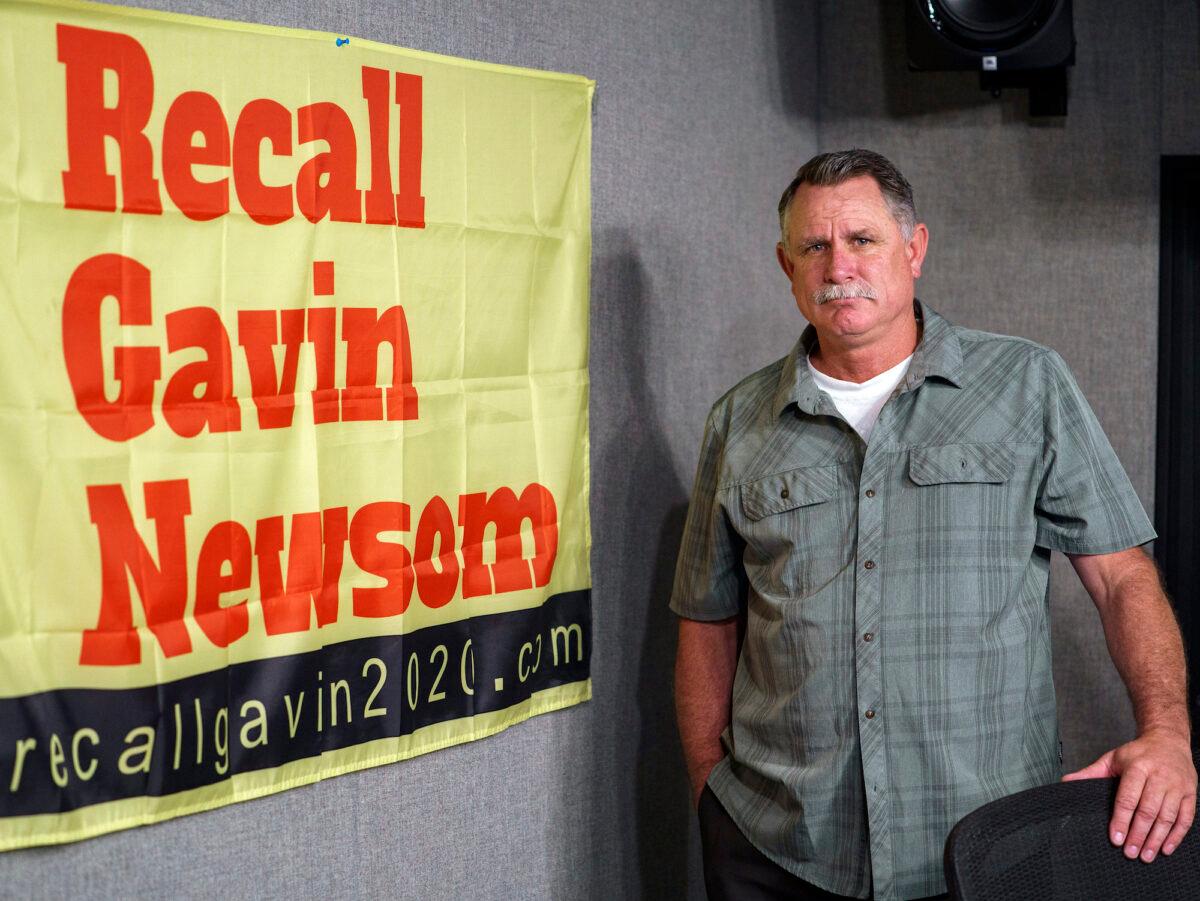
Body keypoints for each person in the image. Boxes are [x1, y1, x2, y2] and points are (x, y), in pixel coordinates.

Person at [670, 148, 1196, 901]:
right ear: (787, 266)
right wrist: (708, 791)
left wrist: (1168, 732)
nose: (838, 265)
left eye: (862, 239)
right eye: (814, 246)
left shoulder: (1026, 384)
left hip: (986, 848)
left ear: (913, 250)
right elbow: (707, 619)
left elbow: (1121, 578)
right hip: (778, 847)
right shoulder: (737, 421)